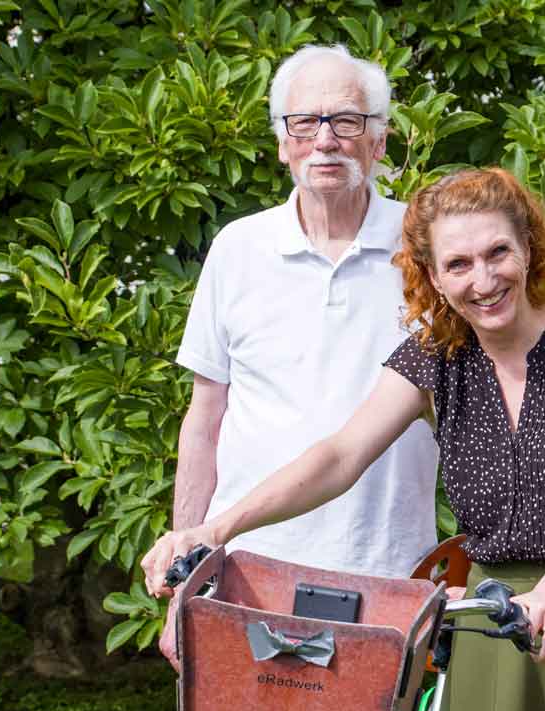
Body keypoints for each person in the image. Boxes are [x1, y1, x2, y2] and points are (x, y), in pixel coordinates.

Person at [142, 167, 545, 711]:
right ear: (432, 277)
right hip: (494, 619)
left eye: (497, 252)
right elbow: (339, 457)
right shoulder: (435, 359)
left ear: (529, 248)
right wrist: (216, 527)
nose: (483, 280)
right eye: (458, 264)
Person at [160, 44, 439, 670]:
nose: (326, 140)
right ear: (283, 142)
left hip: (387, 568)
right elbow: (204, 422)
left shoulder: (426, 249)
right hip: (250, 570)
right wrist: (187, 575)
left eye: (347, 121)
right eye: (304, 123)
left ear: (379, 140)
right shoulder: (238, 249)